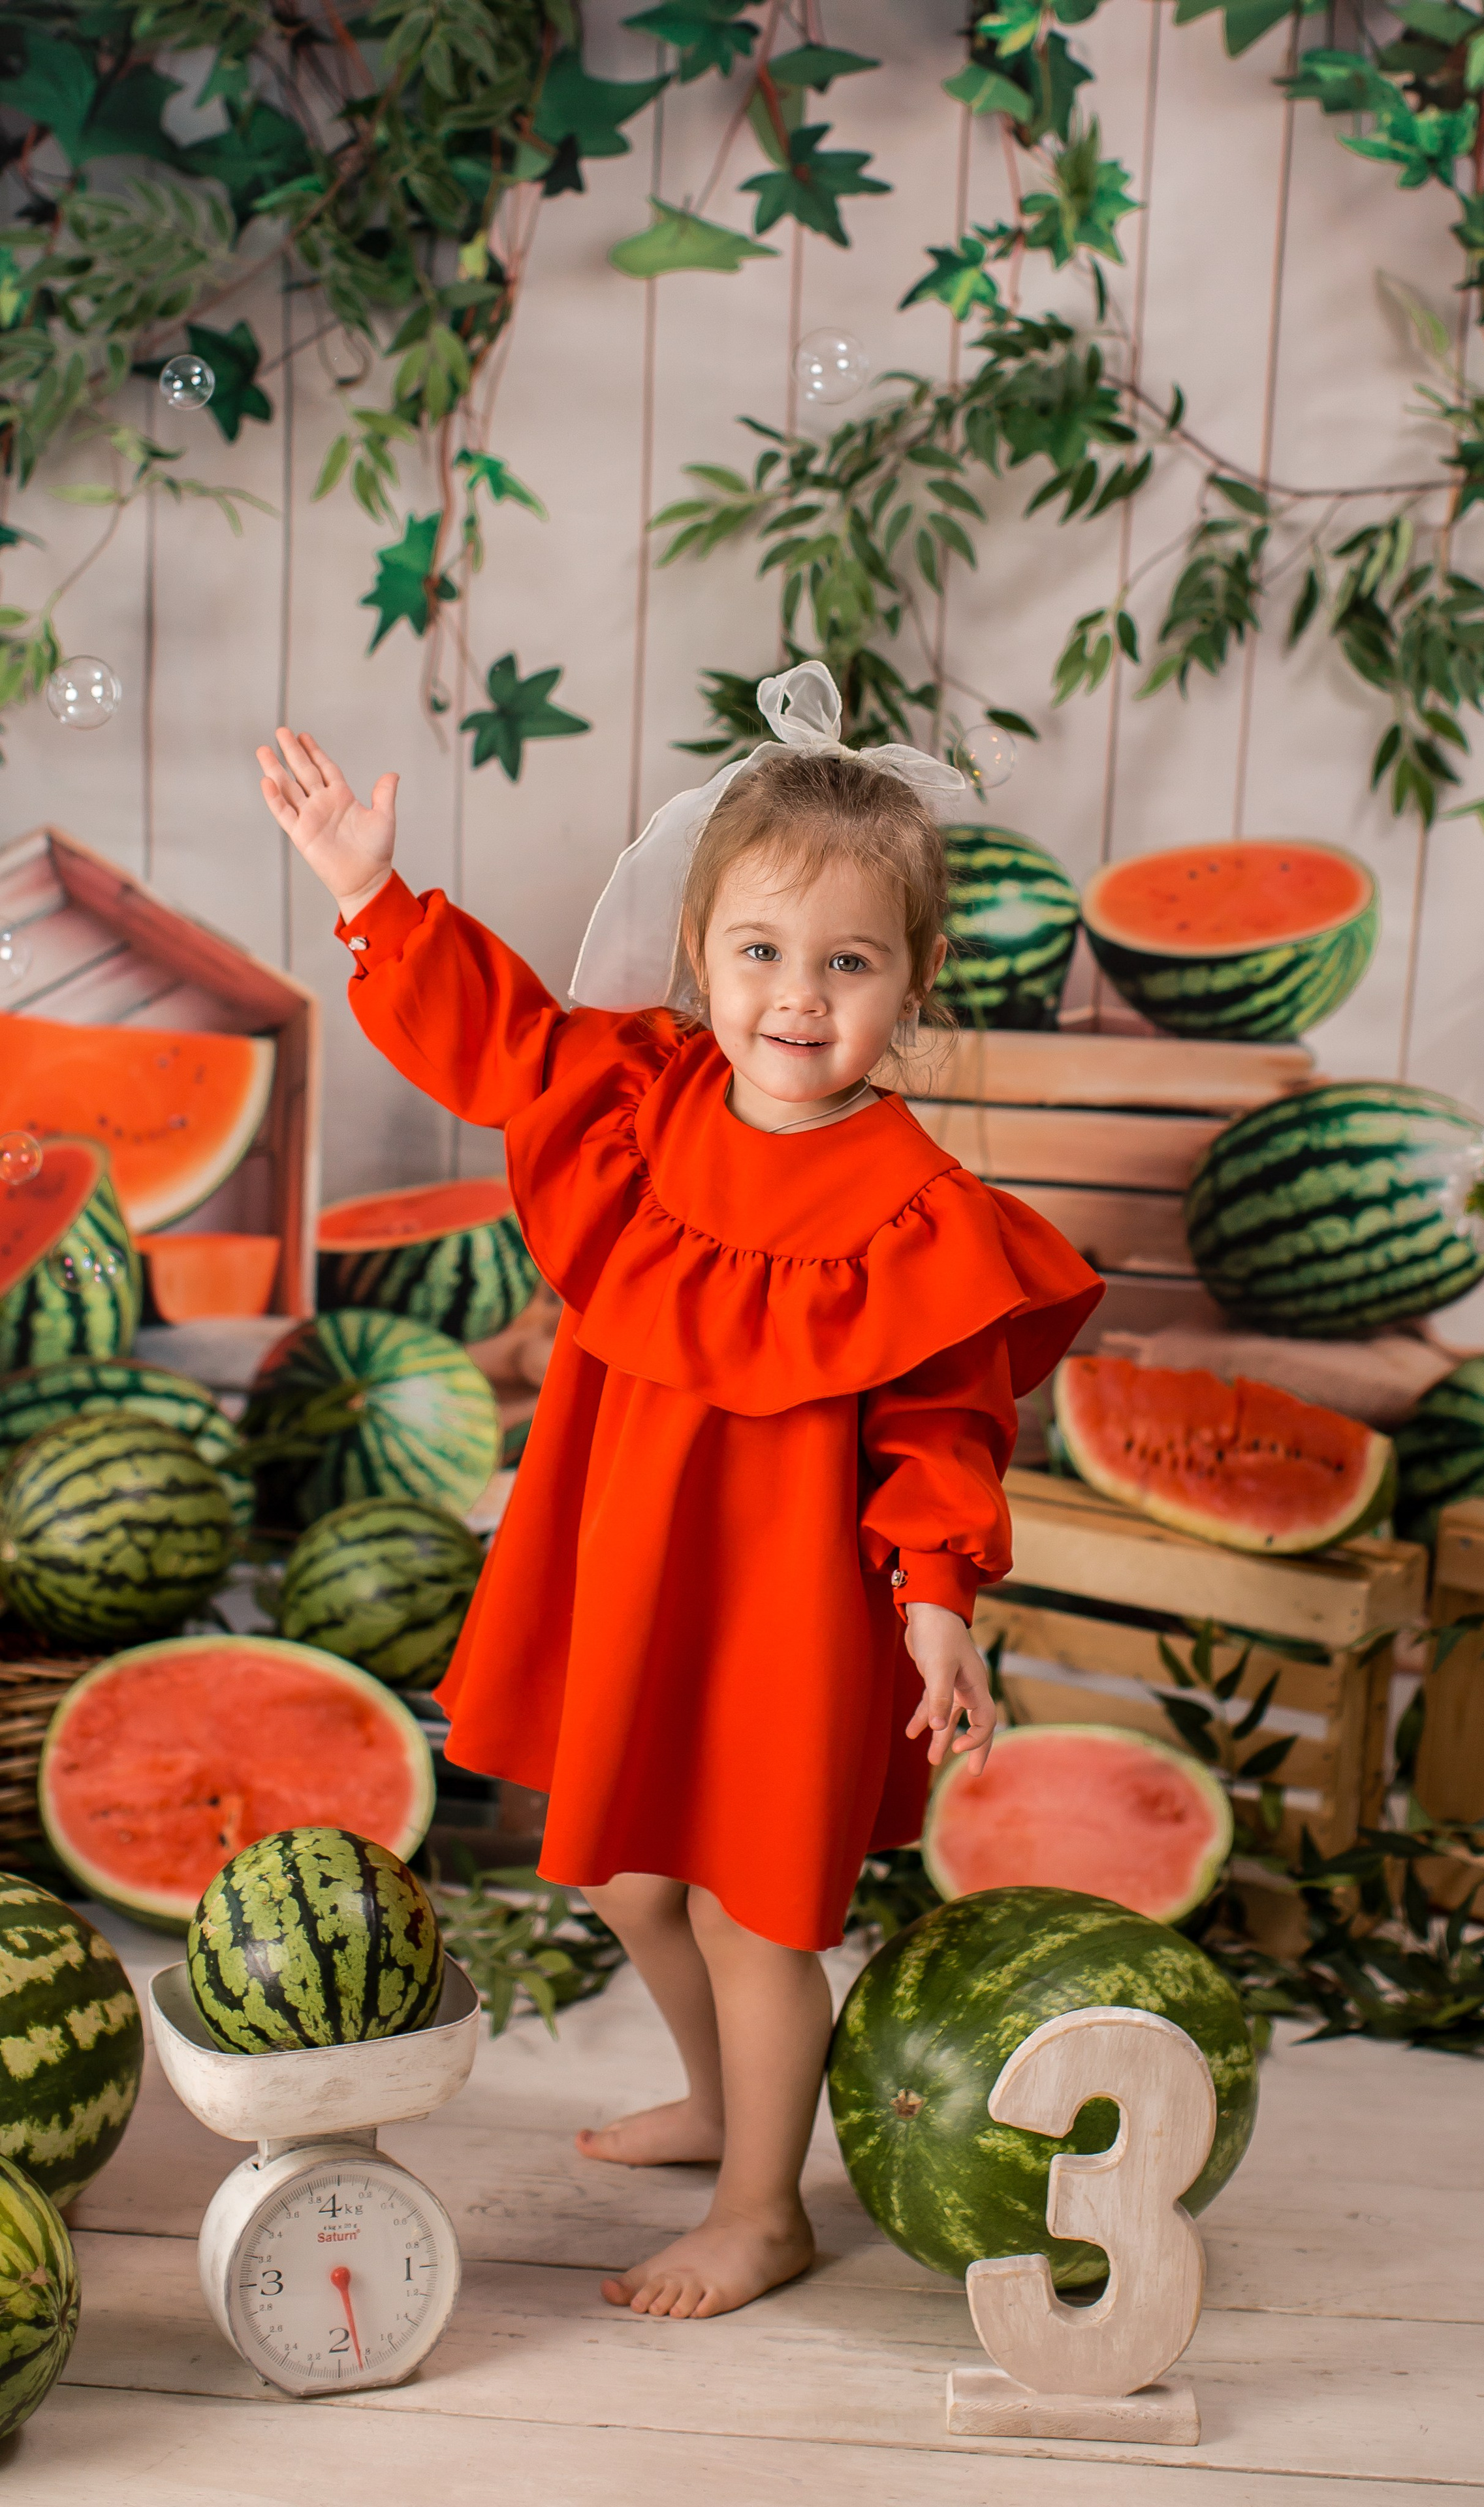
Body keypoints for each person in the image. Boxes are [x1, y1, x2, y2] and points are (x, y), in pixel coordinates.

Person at [254, 663, 1101, 2324]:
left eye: (848, 964)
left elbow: (944, 1431)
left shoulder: (919, 1212)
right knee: (630, 1875)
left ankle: (762, 2206)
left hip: (788, 1609)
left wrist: (937, 1608)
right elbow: (491, 1035)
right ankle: (723, 2108)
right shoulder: (640, 1099)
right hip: (634, 1568)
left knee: (749, 1910)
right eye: (761, 954)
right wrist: (369, 890)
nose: (797, 998)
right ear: (701, 955)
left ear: (912, 982)